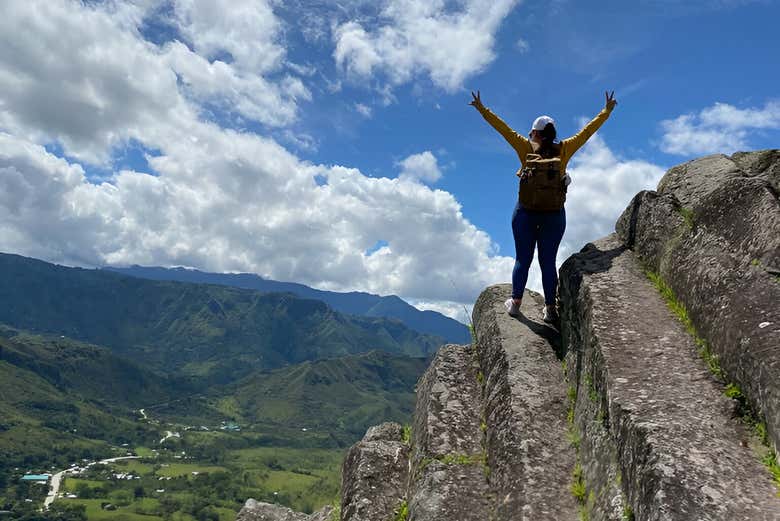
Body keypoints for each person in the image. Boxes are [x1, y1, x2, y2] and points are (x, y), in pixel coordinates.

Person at [470, 90, 618, 322]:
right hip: (554, 214)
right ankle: (550, 309)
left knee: (522, 259)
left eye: (531, 133)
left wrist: (481, 108)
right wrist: (606, 111)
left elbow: (503, 129)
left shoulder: (525, 147)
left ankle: (515, 303)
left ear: (535, 133)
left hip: (525, 212)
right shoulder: (565, 149)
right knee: (547, 261)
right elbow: (588, 132)